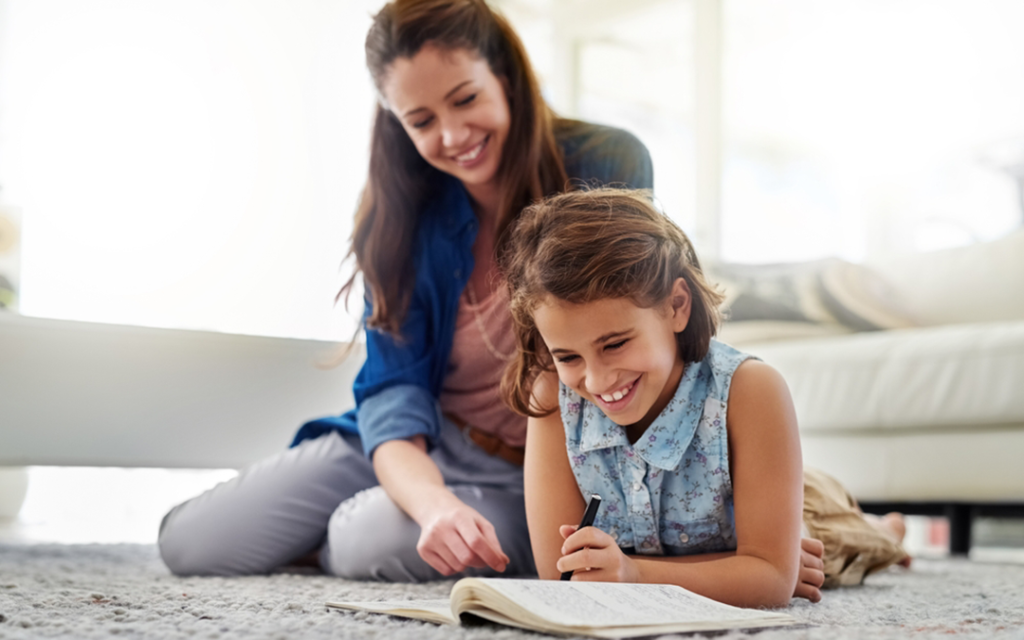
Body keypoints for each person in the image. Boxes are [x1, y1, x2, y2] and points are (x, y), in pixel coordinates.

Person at [157, 0, 652, 581]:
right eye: (421, 121)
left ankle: (352, 535)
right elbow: (393, 394)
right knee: (191, 543)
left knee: (364, 538)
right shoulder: (402, 216)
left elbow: (633, 340)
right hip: (422, 441)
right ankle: (382, 519)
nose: (453, 135)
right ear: (397, 121)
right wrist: (434, 504)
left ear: (506, 77)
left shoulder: (605, 161)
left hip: (537, 469)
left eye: (465, 99)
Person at [499, 189, 909, 607]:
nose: (597, 380)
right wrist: (739, 566)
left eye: (615, 344)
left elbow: (770, 581)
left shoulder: (753, 389)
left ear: (677, 305)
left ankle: (886, 527)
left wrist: (634, 573)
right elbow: (559, 573)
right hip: (734, 532)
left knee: (850, 540)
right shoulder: (553, 397)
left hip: (807, 509)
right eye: (567, 356)